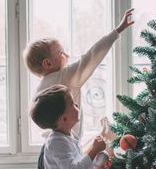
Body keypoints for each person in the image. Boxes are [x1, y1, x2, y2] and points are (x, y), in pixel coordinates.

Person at [23, 8, 135, 141]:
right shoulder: (65, 75)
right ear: (47, 63)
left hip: (49, 145)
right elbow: (92, 57)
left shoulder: (39, 89)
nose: (67, 55)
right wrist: (116, 32)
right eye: (61, 53)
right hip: (68, 142)